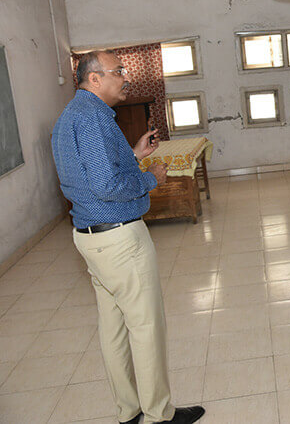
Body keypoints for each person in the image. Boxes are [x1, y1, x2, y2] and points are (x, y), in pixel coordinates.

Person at [51, 50, 205, 424]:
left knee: (114, 328)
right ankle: (158, 415)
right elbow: (107, 186)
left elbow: (91, 175)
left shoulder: (71, 116)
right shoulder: (93, 118)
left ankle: (129, 410)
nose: (126, 77)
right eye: (118, 71)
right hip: (119, 241)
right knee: (146, 327)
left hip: (91, 238)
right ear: (94, 78)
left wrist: (134, 154)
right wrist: (151, 178)